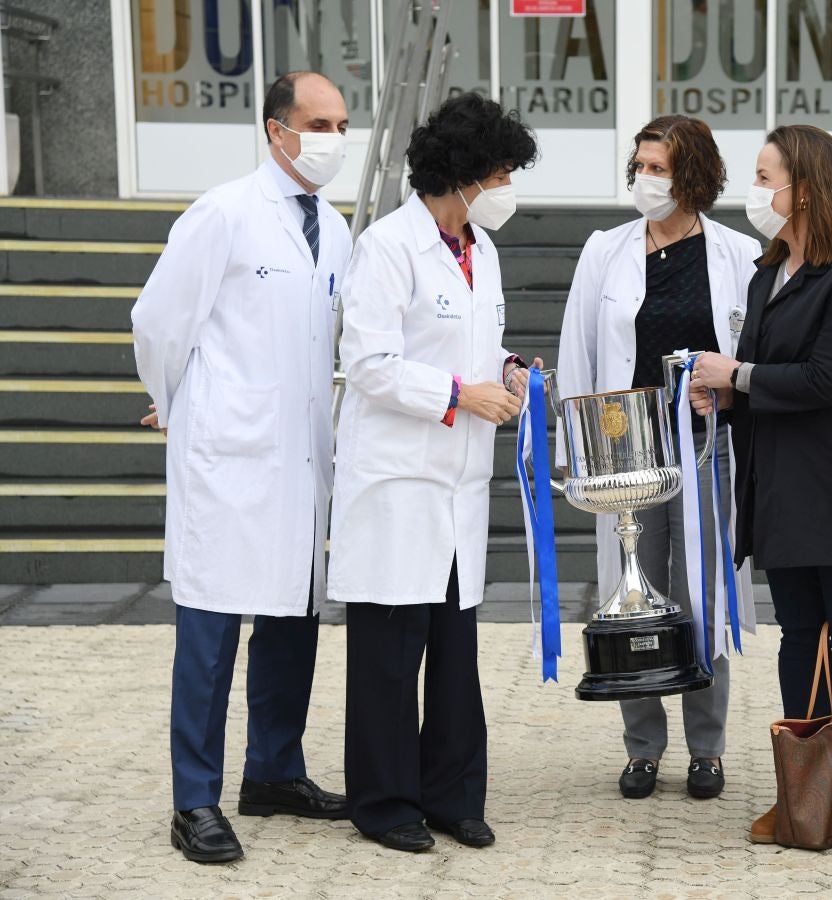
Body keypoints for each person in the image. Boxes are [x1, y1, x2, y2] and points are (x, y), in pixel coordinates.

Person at [131, 71, 352, 864]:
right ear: (275, 130)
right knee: (211, 631)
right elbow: (158, 321)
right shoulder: (223, 212)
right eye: (317, 125)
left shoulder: (336, 227)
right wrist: (177, 401)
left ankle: (274, 772)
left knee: (293, 619)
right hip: (228, 453)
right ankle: (194, 800)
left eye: (341, 125)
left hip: (301, 454)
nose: (333, 139)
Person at [690, 124, 832, 855]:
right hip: (781, 488)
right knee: (799, 638)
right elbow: (762, 377)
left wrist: (738, 375)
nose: (754, 190)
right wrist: (726, 396)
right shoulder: (770, 272)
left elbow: (825, 379)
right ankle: (811, 784)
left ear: (808, 188)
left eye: (766, 176)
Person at [326, 93, 540, 853]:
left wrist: (507, 371)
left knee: (455, 648)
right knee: (390, 653)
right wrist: (459, 394)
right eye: (501, 172)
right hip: (398, 481)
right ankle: (384, 803)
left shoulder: (482, 250)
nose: (507, 186)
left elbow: (479, 341)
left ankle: (453, 795)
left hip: (458, 482)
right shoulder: (387, 247)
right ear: (463, 173)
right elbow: (370, 363)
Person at [556, 115, 760, 801]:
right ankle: (642, 747)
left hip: (704, 446)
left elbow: (752, 356)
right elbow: (579, 351)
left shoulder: (738, 254)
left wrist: (730, 399)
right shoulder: (604, 250)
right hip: (624, 448)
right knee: (631, 593)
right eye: (640, 167)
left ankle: (707, 748)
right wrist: (578, 452)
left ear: (694, 176)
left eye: (659, 169)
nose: (645, 179)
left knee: (703, 595)